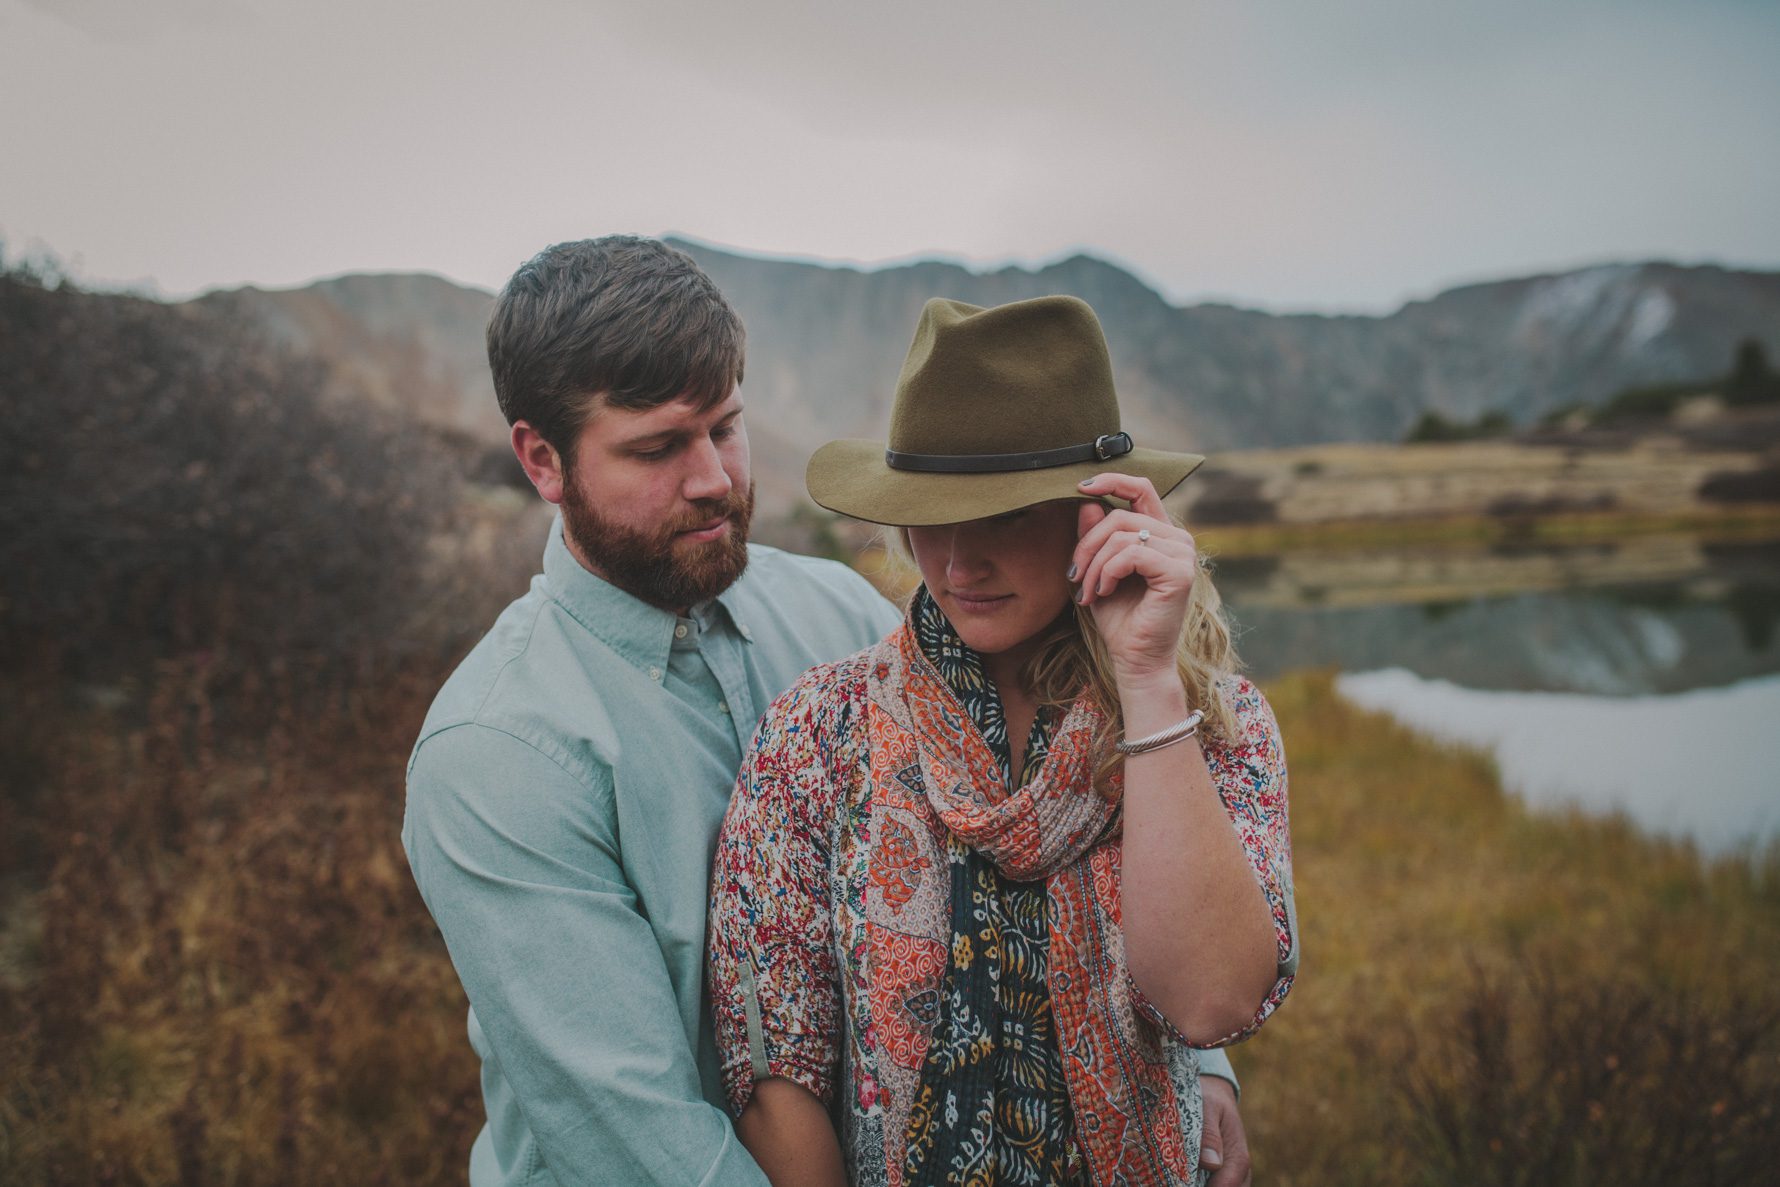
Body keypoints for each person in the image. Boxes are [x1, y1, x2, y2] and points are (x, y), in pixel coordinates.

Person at [403, 237, 1259, 1186]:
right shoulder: (497, 751)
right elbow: (633, 1132)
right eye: (655, 448)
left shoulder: (837, 611)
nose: (714, 479)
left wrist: (1189, 1062)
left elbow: (1059, 849)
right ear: (541, 459)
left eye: (724, 427)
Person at [707, 295, 1298, 1186]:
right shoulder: (816, 735)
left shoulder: (1212, 726)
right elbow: (774, 1063)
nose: (954, 561)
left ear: (1097, 513)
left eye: (1005, 514)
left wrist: (1145, 684)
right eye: (930, 513)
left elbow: (1211, 1001)